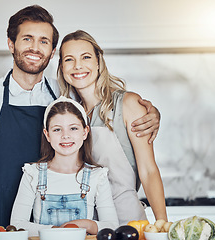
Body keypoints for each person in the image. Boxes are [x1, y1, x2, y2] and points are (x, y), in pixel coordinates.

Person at [0, 5, 160, 229]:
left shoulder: (64, 96)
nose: (35, 47)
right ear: (11, 44)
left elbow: (101, 100)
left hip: (56, 227)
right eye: (27, 39)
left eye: (44, 41)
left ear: (52, 53)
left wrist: (148, 110)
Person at [57, 30, 168, 224]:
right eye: (69, 59)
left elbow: (148, 171)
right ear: (62, 67)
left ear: (98, 62)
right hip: (83, 225)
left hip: (126, 222)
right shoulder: (68, 115)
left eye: (86, 57)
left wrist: (162, 225)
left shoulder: (128, 104)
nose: (78, 66)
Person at [10, 96, 119, 236]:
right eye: (57, 130)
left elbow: (112, 227)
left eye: (73, 128)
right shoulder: (33, 174)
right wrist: (58, 232)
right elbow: (17, 224)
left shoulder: (97, 176)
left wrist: (84, 224)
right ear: (47, 135)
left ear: (85, 132)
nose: (65, 136)